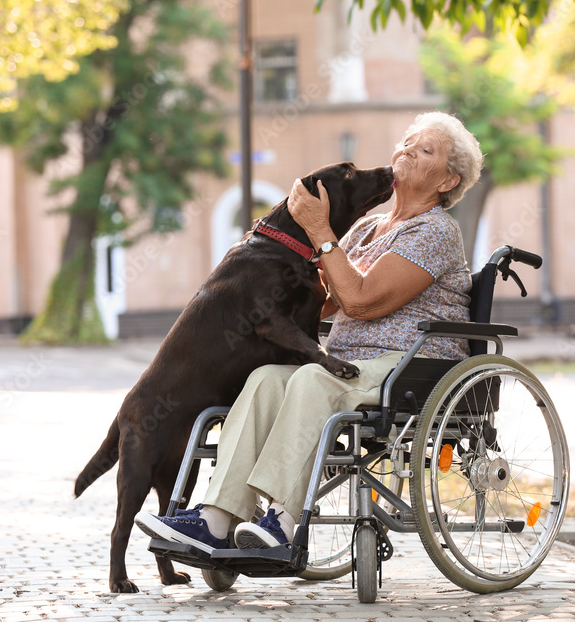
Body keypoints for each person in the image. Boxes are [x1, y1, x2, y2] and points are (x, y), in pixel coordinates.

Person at [135, 111, 483, 553]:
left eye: (426, 149)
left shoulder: (434, 231)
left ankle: (282, 521)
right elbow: (328, 298)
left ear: (448, 181)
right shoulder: (368, 229)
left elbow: (360, 299)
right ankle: (216, 519)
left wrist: (321, 231)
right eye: (407, 141)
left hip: (408, 365)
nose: (408, 150)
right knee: (264, 380)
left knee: (313, 379)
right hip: (351, 365)